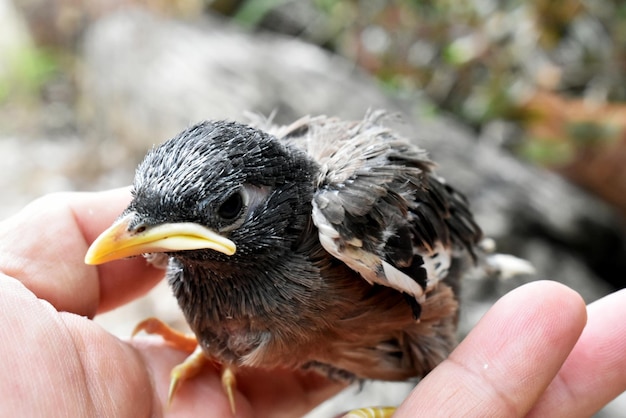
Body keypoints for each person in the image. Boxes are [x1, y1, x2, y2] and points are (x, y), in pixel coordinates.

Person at [0, 188, 624, 418]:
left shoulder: (347, 222)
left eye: (226, 209)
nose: (135, 241)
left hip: (407, 327)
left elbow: (435, 285)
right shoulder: (191, 265)